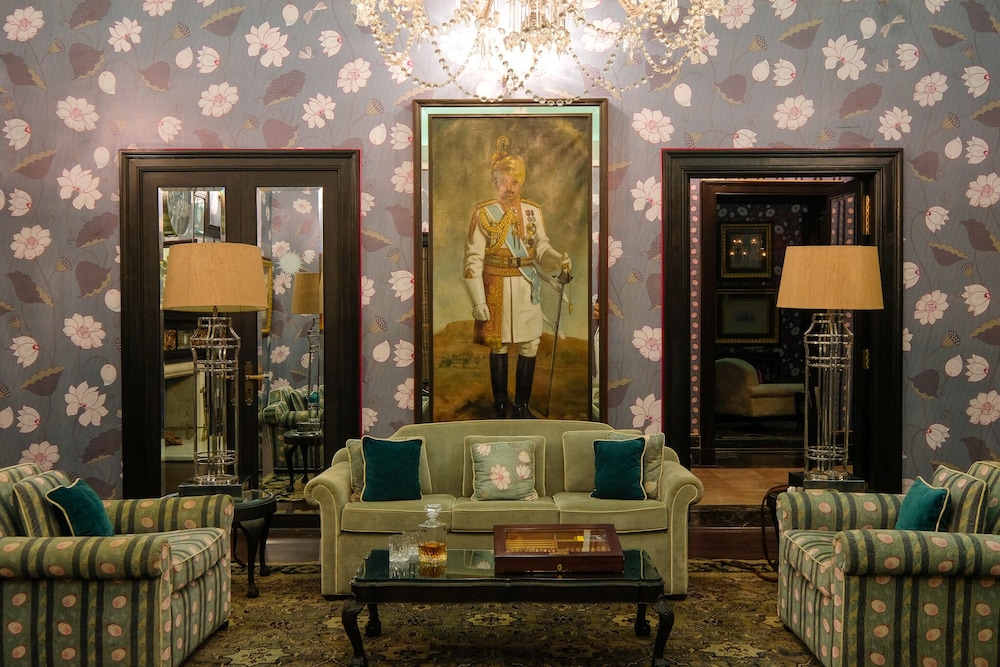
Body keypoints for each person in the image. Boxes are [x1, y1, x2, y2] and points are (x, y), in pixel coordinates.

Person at [462, 136, 571, 419]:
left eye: (515, 182)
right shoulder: (484, 214)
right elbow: (473, 259)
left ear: (521, 183)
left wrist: (559, 260)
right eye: (504, 181)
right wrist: (478, 301)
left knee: (529, 344)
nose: (509, 188)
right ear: (495, 181)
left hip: (525, 286)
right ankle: (500, 406)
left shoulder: (533, 212)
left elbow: (541, 248)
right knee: (498, 345)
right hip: (494, 285)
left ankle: (521, 406)